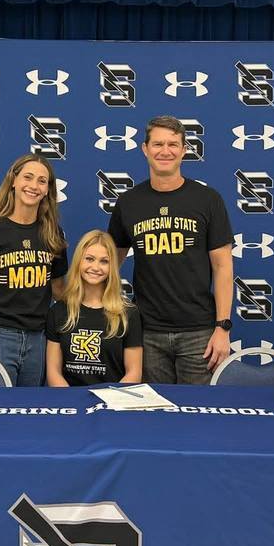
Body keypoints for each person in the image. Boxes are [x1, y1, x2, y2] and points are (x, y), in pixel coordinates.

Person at [108, 115, 234, 384]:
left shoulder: (207, 199)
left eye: (173, 144)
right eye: (158, 144)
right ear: (145, 149)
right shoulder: (129, 202)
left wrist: (222, 327)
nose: (165, 151)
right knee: (155, 415)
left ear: (184, 150)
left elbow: (223, 267)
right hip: (147, 331)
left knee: (199, 415)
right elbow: (109, 264)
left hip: (199, 332)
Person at [0, 154, 67, 386]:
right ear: (14, 181)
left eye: (42, 181)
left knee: (29, 412)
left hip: (38, 340)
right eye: (28, 177)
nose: (34, 186)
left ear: (48, 190)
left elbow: (59, 291)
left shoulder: (52, 234)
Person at [46, 230, 142, 387]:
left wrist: (111, 400)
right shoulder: (58, 311)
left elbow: (134, 373)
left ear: (112, 266)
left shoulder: (128, 314)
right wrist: (72, 401)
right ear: (79, 261)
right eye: (89, 259)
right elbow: (53, 372)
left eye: (104, 261)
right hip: (71, 402)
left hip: (113, 404)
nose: (96, 267)